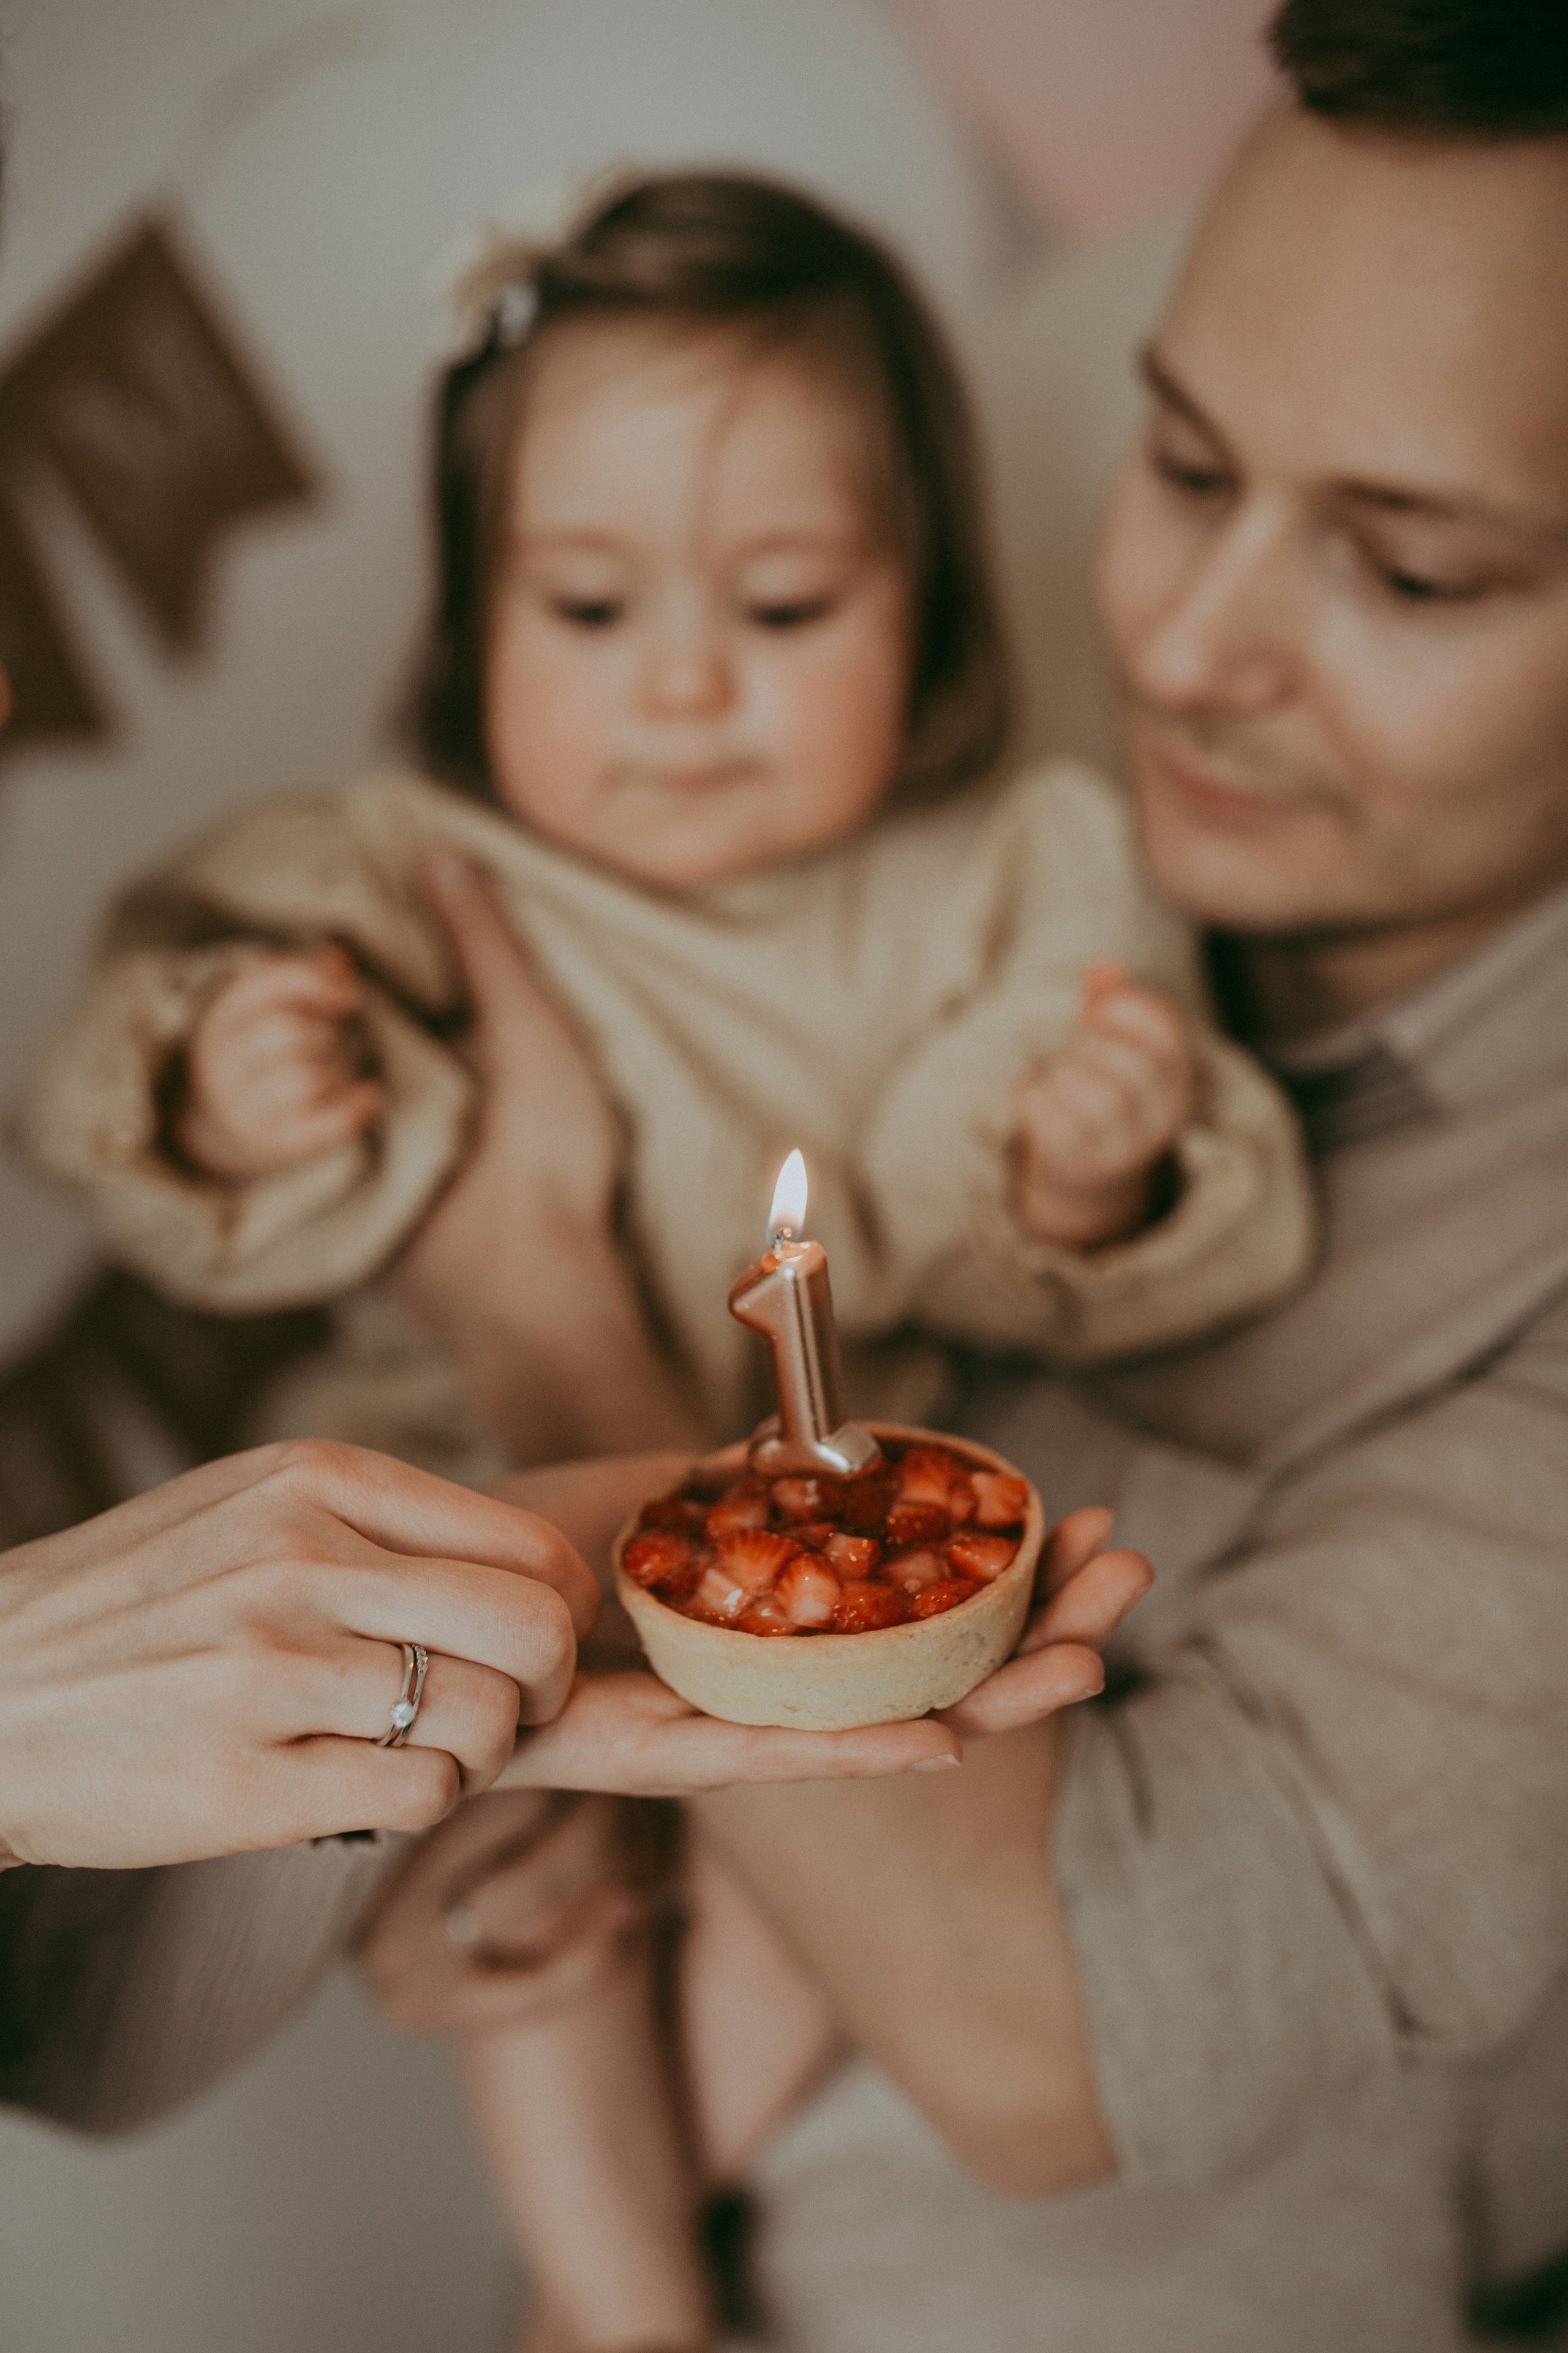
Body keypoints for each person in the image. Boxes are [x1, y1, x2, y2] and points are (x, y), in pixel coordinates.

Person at [358, 4, 1568, 2347]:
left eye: (1414, 577)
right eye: (1189, 465)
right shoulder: (1019, 876)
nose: (1186, 651)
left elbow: (1049, 2041)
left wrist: (536, 1313)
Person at [14, 169, 1311, 1494]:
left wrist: (1074, 1182)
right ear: (477, 621)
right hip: (425, 1497)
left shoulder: (1010, 876)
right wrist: (221, 1099)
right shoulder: (409, 876)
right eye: (587, 608)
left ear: (923, 621)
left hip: (819, 1538)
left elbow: (1000, 1257)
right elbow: (107, 1088)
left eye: (782, 606)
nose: (681, 687)